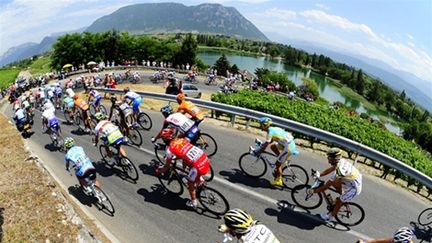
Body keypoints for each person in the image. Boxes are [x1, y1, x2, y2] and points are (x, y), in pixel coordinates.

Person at [155, 129, 210, 208]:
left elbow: (166, 166)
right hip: (204, 157)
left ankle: (193, 202)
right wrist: (175, 158)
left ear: (165, 139)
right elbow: (184, 152)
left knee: (190, 183)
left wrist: (159, 171)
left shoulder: (169, 149)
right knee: (189, 165)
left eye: (163, 139)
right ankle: (201, 182)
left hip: (198, 167)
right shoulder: (181, 140)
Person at [311, 147, 362, 222]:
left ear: (334, 159)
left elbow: (325, 187)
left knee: (339, 200)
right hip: (351, 181)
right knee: (335, 183)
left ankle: (330, 216)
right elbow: (331, 169)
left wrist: (313, 191)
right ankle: (343, 196)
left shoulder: (339, 171)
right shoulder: (340, 161)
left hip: (354, 188)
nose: (328, 160)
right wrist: (319, 175)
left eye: (329, 158)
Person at [255, 117, 298, 187]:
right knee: (273, 146)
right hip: (289, 144)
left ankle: (279, 180)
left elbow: (266, 143)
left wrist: (260, 151)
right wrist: (262, 145)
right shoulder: (273, 128)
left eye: (261, 125)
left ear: (265, 125)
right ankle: (283, 161)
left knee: (277, 164)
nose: (260, 126)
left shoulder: (270, 132)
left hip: (288, 147)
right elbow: (270, 141)